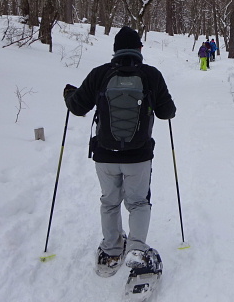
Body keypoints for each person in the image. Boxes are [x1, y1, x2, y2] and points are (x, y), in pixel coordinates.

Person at [63, 26, 176, 277]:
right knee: (138, 202)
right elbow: (167, 112)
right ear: (139, 49)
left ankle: (112, 249)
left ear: (115, 49)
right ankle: (136, 250)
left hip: (105, 155)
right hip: (138, 156)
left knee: (110, 202)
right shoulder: (151, 75)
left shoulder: (100, 74)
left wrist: (69, 94)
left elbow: (77, 107)